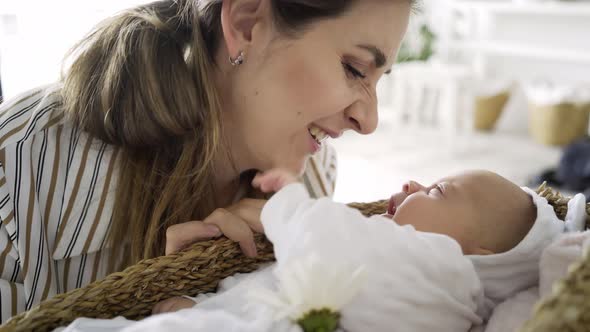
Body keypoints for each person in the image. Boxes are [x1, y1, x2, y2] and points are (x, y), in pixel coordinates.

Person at [0, 0, 413, 321]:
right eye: (355, 69)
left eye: (379, 80)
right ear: (246, 22)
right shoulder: (17, 168)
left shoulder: (312, 178)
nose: (369, 121)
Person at [151, 169, 586, 331]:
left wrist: (288, 206)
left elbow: (333, 247)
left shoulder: (443, 274)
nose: (411, 184)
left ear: (478, 252)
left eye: (437, 190)